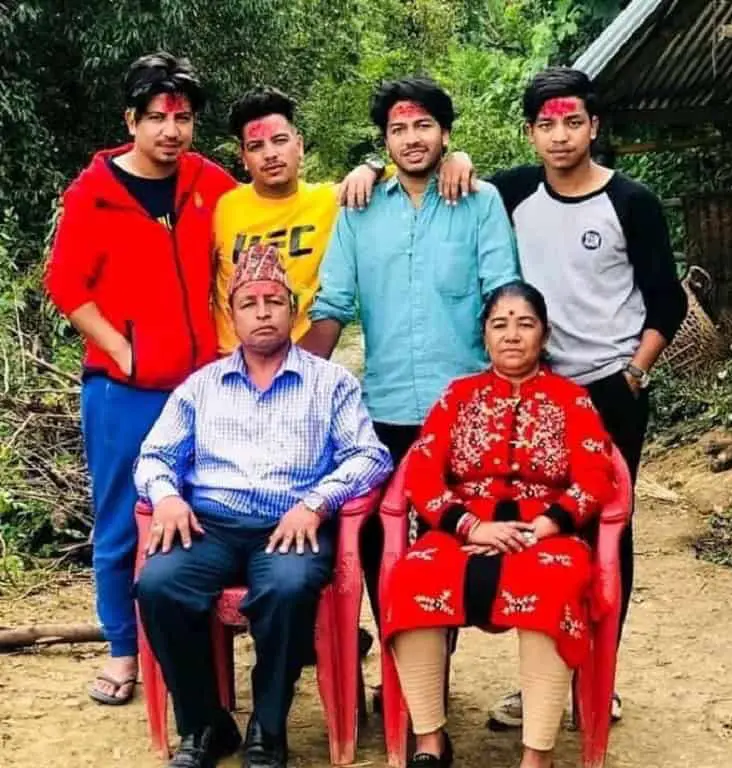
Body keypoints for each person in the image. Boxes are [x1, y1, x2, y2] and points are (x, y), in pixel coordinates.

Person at [134, 244, 392, 768]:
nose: (263, 312)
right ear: (233, 316)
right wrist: (165, 497)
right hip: (211, 525)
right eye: (249, 304)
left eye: (274, 301)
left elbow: (371, 455)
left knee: (289, 586)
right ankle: (206, 724)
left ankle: (267, 727)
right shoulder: (201, 386)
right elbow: (154, 455)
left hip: (292, 525)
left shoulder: (330, 382)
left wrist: (317, 504)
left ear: (293, 311)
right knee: (158, 586)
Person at [483, 67, 687, 728]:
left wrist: (633, 372)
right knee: (535, 531)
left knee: (605, 532)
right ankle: (541, 680)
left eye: (572, 122)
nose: (560, 136)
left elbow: (668, 300)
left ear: (594, 126)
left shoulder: (631, 202)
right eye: (546, 124)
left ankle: (601, 676)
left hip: (610, 393)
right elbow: (444, 181)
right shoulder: (512, 193)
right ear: (531, 132)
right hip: (535, 395)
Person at [44, 52, 236, 706]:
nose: (170, 130)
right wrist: (121, 351)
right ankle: (123, 651)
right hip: (122, 392)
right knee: (123, 522)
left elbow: (266, 219)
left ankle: (199, 646)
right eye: (156, 117)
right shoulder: (93, 193)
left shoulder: (210, 183)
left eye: (182, 117)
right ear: (132, 119)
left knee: (207, 512)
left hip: (205, 388)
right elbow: (65, 285)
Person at [302, 76, 520, 627]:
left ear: (445, 134)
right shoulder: (360, 206)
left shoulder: (480, 201)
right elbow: (334, 303)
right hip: (386, 409)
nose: (411, 138)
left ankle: (437, 655)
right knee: (378, 535)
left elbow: (503, 291)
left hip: (468, 409)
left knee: (463, 537)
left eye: (423, 125)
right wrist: (291, 379)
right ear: (384, 142)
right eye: (398, 129)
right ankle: (404, 652)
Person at [382, 281, 614, 768]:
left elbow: (596, 474)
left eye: (525, 324)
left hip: (547, 536)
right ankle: (430, 741)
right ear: (484, 336)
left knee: (551, 583)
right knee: (413, 576)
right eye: (499, 325)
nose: (512, 335)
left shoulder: (572, 400)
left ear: (544, 336)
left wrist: (546, 527)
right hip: (463, 532)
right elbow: (421, 471)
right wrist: (469, 526)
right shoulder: (458, 396)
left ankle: (537, 755)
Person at [213, 86, 477, 354]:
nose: (270, 154)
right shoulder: (221, 208)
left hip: (303, 362)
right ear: (243, 157)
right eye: (256, 146)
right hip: (230, 367)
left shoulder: (335, 200)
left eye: (280, 140)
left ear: (299, 145)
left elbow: (413, 166)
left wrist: (455, 158)